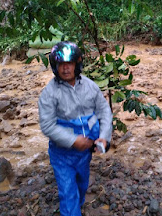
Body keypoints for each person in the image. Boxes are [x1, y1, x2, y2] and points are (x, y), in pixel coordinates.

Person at [38, 41, 112, 216]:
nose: (65, 69)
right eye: (61, 65)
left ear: (77, 64)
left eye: (69, 64)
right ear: (55, 67)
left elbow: (104, 111)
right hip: (62, 154)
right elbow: (47, 125)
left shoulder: (90, 86)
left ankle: (77, 206)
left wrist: (104, 137)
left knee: (82, 183)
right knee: (67, 190)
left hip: (85, 151)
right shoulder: (49, 93)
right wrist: (73, 140)